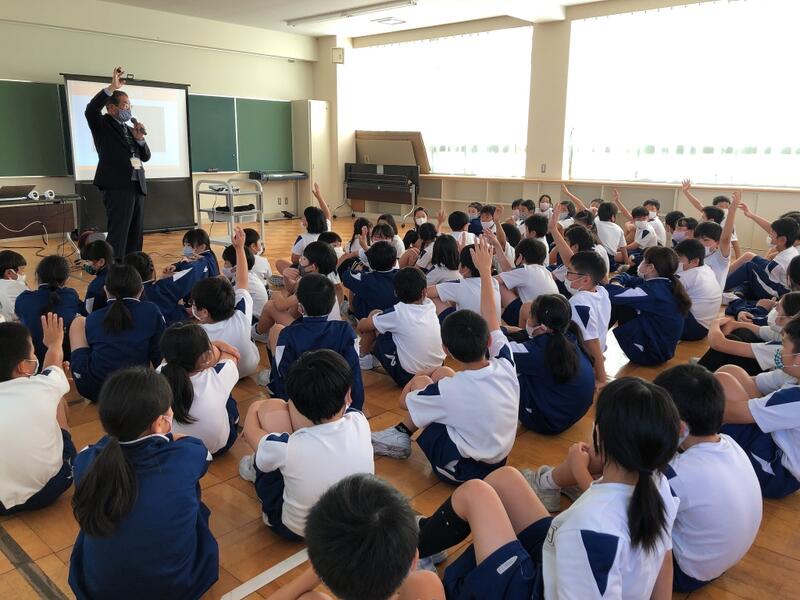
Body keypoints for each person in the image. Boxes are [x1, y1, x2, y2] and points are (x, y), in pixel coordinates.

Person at [424, 377, 679, 598]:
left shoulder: (591, 527)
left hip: (541, 589)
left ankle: (416, 552)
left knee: (474, 494)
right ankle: (425, 546)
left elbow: (596, 535)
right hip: (555, 565)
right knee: (505, 479)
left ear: (600, 435)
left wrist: (580, 470)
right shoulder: (657, 484)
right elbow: (664, 561)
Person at [370, 238, 519, 484]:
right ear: (489, 342)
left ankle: (400, 434)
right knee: (442, 374)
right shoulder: (505, 362)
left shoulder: (453, 389)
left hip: (463, 470)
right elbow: (492, 319)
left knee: (422, 384)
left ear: (447, 349)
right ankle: (401, 432)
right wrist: (485, 271)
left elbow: (403, 402)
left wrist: (419, 378)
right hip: (498, 461)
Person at [68, 367, 218, 600]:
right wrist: (169, 437)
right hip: (175, 591)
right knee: (195, 506)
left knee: (98, 514)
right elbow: (202, 455)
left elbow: (101, 448)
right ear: (159, 423)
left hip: (98, 592)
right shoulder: (186, 455)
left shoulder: (87, 461)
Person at [238, 349, 374, 540]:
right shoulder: (359, 421)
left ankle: (258, 467)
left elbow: (252, 432)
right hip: (352, 522)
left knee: (271, 413)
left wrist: (255, 407)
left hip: (294, 529)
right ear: (349, 395)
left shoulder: (286, 448)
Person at [653, 365, 762, 593]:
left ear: (679, 427)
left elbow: (627, 516)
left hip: (687, 574)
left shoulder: (675, 476)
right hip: (721, 561)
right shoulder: (731, 443)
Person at [270, 474, 445, 600]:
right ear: (414, 559)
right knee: (422, 581)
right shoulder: (428, 587)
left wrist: (321, 566)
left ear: (313, 563)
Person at [716, 317, 800, 498]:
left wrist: (696, 401)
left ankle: (688, 438)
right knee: (732, 372)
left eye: (783, 345)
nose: (780, 351)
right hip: (775, 445)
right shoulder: (793, 379)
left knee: (722, 385)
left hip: (775, 473)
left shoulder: (795, 398)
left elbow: (732, 413)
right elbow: (752, 381)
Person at [0, 314, 75, 515]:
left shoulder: (40, 384)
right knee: (56, 396)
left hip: (1, 502)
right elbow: (53, 363)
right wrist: (54, 344)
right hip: (50, 488)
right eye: (33, 352)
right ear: (23, 366)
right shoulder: (41, 386)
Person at [265, 273, 364, 410]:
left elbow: (283, 377)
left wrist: (288, 409)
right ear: (332, 306)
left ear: (300, 308)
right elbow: (354, 374)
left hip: (302, 410)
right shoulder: (344, 330)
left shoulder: (288, 334)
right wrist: (355, 409)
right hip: (338, 407)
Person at [69, 264, 166, 402]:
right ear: (141, 290)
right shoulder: (151, 311)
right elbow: (159, 353)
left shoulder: (93, 318)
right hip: (137, 387)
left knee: (78, 322)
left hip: (95, 390)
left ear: (105, 290)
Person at [84, 67, 150, 259]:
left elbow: (145, 157)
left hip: (137, 185)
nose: (128, 109)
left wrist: (140, 139)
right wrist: (112, 87)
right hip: (117, 186)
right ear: (111, 108)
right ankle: (114, 269)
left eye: (129, 105)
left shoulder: (130, 130)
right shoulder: (102, 124)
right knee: (119, 232)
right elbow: (91, 109)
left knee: (135, 233)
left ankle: (133, 266)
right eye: (124, 105)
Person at [543, 207, 610, 384]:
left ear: (585, 279)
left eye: (570, 273)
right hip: (598, 350)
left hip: (584, 358)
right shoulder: (601, 291)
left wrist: (601, 379)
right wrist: (553, 229)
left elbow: (592, 342)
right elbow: (570, 259)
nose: (567, 275)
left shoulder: (579, 302)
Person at [512, 294, 595, 434]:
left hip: (548, 422)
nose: (528, 319)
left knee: (505, 366)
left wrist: (503, 330)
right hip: (570, 414)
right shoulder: (569, 336)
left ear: (542, 327)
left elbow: (497, 349)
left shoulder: (539, 351)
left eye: (530, 316)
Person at [158, 322, 241, 456]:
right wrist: (218, 344)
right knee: (227, 395)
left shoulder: (157, 374)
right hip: (215, 449)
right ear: (204, 357)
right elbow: (232, 355)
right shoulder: (217, 377)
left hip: (173, 448)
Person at [357, 267, 445, 387]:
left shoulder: (397, 313)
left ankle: (364, 360)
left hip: (408, 376)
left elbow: (362, 327)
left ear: (395, 292)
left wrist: (363, 321)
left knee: (375, 315)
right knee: (388, 326)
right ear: (425, 292)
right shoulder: (430, 305)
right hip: (437, 370)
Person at [191, 227, 260, 378]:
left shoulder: (198, 333)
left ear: (204, 312)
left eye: (195, 304)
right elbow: (242, 281)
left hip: (224, 374)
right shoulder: (241, 315)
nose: (193, 307)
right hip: (250, 366)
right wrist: (239, 248)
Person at [605, 246, 692, 365]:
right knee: (625, 301)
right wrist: (620, 279)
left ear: (651, 268)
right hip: (662, 350)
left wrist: (615, 281)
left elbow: (611, 294)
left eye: (643, 260)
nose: (640, 263)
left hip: (650, 354)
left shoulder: (652, 291)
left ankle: (593, 344)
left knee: (619, 304)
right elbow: (630, 279)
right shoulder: (666, 283)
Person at [697, 293, 800, 376]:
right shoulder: (784, 333)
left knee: (730, 340)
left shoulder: (779, 348)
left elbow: (718, 343)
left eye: (777, 309)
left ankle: (698, 374)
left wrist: (715, 323)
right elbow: (735, 325)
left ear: (790, 319)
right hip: (768, 374)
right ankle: (707, 366)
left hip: (765, 380)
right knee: (742, 331)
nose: (773, 311)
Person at [15, 255, 81, 364]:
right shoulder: (71, 295)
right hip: (64, 359)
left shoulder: (23, 299)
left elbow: (19, 316)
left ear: (37, 276)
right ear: (67, 278)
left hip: (32, 358)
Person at [489, 231, 557, 328]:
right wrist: (497, 245)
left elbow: (492, 280)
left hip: (535, 319)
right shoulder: (545, 271)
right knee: (509, 281)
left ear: (520, 257)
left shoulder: (526, 271)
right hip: (549, 318)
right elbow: (508, 271)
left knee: (501, 285)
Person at [725, 216, 799, 300]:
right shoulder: (790, 249)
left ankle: (722, 286)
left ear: (782, 240)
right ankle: (736, 287)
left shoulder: (782, 259)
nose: (770, 234)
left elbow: (768, 274)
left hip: (777, 291)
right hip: (777, 280)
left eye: (773, 233)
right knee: (750, 257)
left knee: (749, 267)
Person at [124, 251, 204, 326]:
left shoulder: (123, 294)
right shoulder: (164, 287)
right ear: (152, 271)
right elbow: (194, 271)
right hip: (174, 327)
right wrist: (183, 262)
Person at [427, 244, 501, 323]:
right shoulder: (494, 282)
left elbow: (426, 292)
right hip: (494, 326)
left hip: (467, 329)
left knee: (436, 298)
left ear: (464, 268)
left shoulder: (459, 285)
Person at [674, 238, 723, 341]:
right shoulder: (706, 268)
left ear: (695, 262)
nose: (675, 262)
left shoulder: (687, 276)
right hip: (706, 327)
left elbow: (662, 295)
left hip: (693, 328)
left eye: (679, 259)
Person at [340, 241, 399, 320]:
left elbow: (346, 276)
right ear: (395, 262)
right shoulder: (401, 275)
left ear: (370, 263)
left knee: (355, 286)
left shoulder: (365, 279)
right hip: (394, 315)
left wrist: (360, 270)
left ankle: (352, 313)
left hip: (368, 316)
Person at [221, 243, 269, 317]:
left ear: (235, 268)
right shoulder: (248, 275)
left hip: (252, 319)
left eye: (226, 263)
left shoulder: (246, 283)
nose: (224, 266)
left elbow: (227, 304)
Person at [81, 239, 114, 314]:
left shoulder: (95, 286)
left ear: (101, 262)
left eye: (88, 261)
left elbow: (88, 311)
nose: (85, 264)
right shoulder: (123, 272)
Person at [595, 202, 629, 269]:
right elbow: (623, 248)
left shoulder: (594, 222)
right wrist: (627, 263)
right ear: (613, 217)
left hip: (593, 255)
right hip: (609, 261)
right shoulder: (618, 229)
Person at [0, 250, 28, 322]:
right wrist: (22, 282)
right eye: (22, 270)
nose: (23, 273)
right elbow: (32, 301)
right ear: (9, 273)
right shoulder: (16, 285)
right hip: (10, 325)